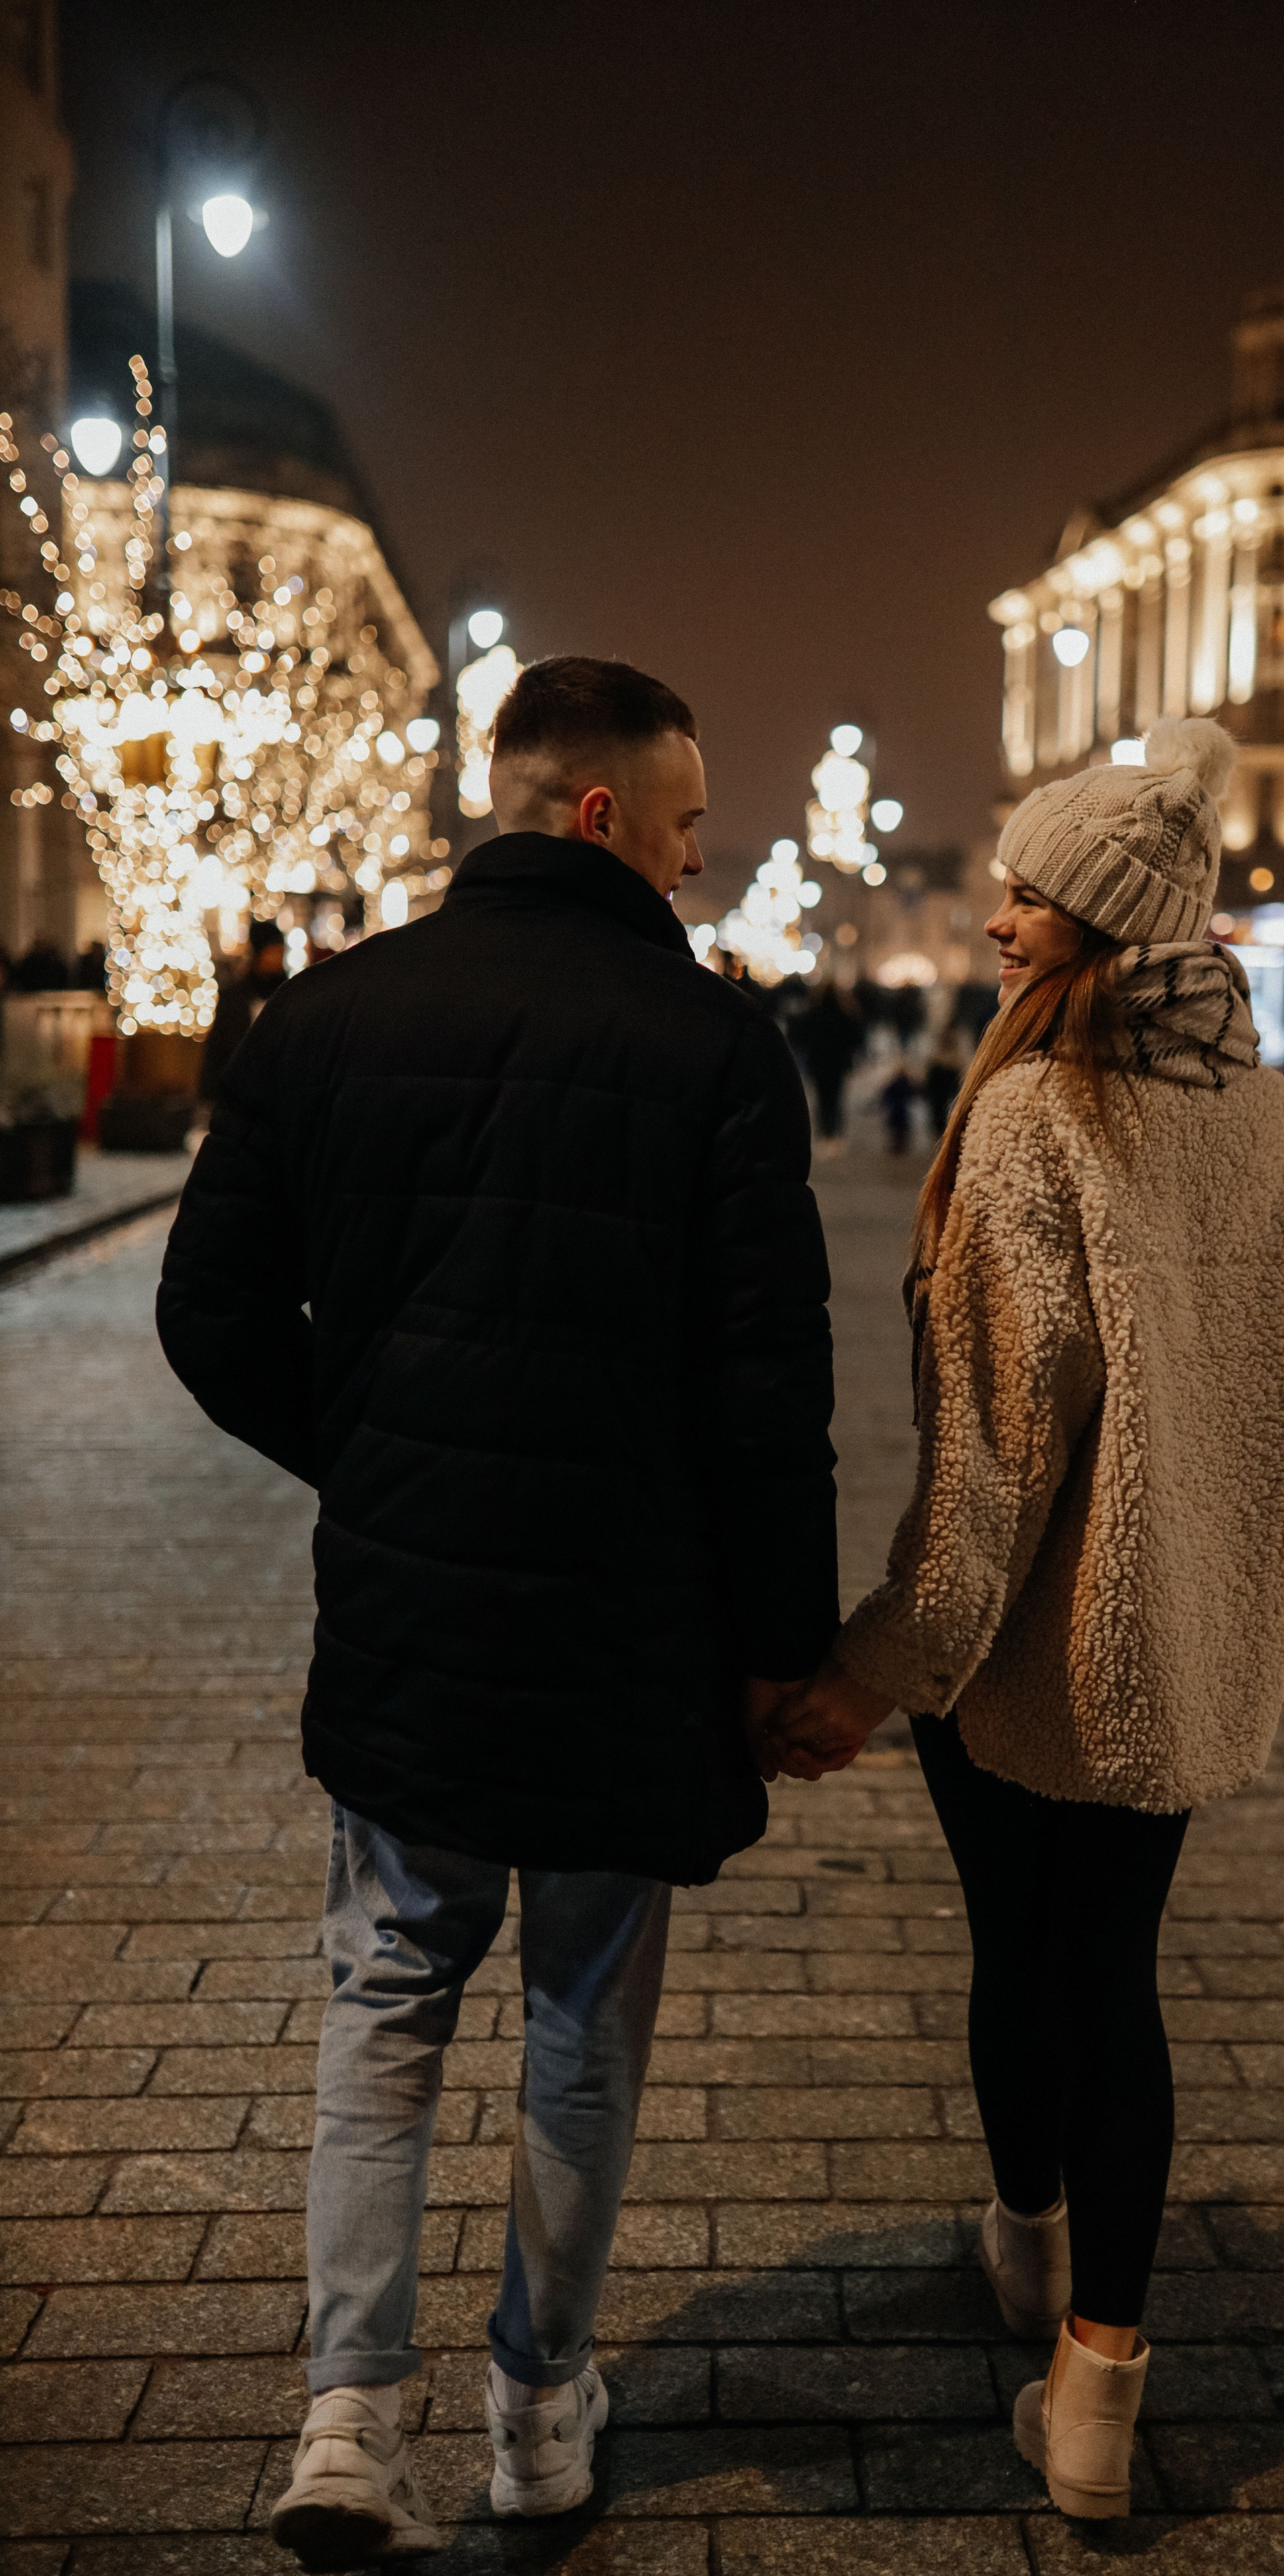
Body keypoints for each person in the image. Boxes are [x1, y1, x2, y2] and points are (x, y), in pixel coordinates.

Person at [157, 657, 839, 2563]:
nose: (698, 862)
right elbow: (768, 1392)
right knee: (581, 2025)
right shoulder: (716, 1050)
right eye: (686, 825)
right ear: (601, 812)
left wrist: (375, 1458)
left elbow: (208, 1311)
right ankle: (539, 2414)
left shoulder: (324, 1016)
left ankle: (348, 2422)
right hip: (637, 1634)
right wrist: (781, 1648)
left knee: (384, 1997)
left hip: (416, 1619)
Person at [765, 718, 1284, 2520]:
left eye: (1029, 896)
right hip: (1181, 1633)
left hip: (1021, 1649)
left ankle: (1024, 2242)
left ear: (1103, 922)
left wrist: (874, 1668)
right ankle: (1097, 2392)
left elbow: (997, 1456)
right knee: (1118, 1978)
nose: (998, 918)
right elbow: (1272, 1407)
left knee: (1021, 1955)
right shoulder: (1272, 1112)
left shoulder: (1032, 1112)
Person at [198, 917, 288, 1099]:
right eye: (271, 953)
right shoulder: (233, 999)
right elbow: (217, 1053)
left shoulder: (288, 996)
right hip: (239, 1095)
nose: (277, 960)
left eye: (280, 953)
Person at [796, 982, 865, 1149]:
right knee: (836, 1097)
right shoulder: (844, 1014)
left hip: (818, 1063)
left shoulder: (813, 1014)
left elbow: (800, 1036)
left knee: (822, 1097)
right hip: (838, 1063)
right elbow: (855, 1037)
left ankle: (824, 1131)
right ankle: (835, 1131)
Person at [924, 1025, 966, 1134]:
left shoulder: (940, 1059)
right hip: (942, 1083)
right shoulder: (941, 1060)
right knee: (941, 1109)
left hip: (945, 1082)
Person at [878, 1063, 918, 1154]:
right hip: (900, 1109)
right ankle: (899, 1146)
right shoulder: (906, 1083)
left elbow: (886, 1095)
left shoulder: (897, 1084)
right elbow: (913, 1094)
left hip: (897, 1109)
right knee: (900, 1130)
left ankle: (898, 1146)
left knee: (897, 1130)